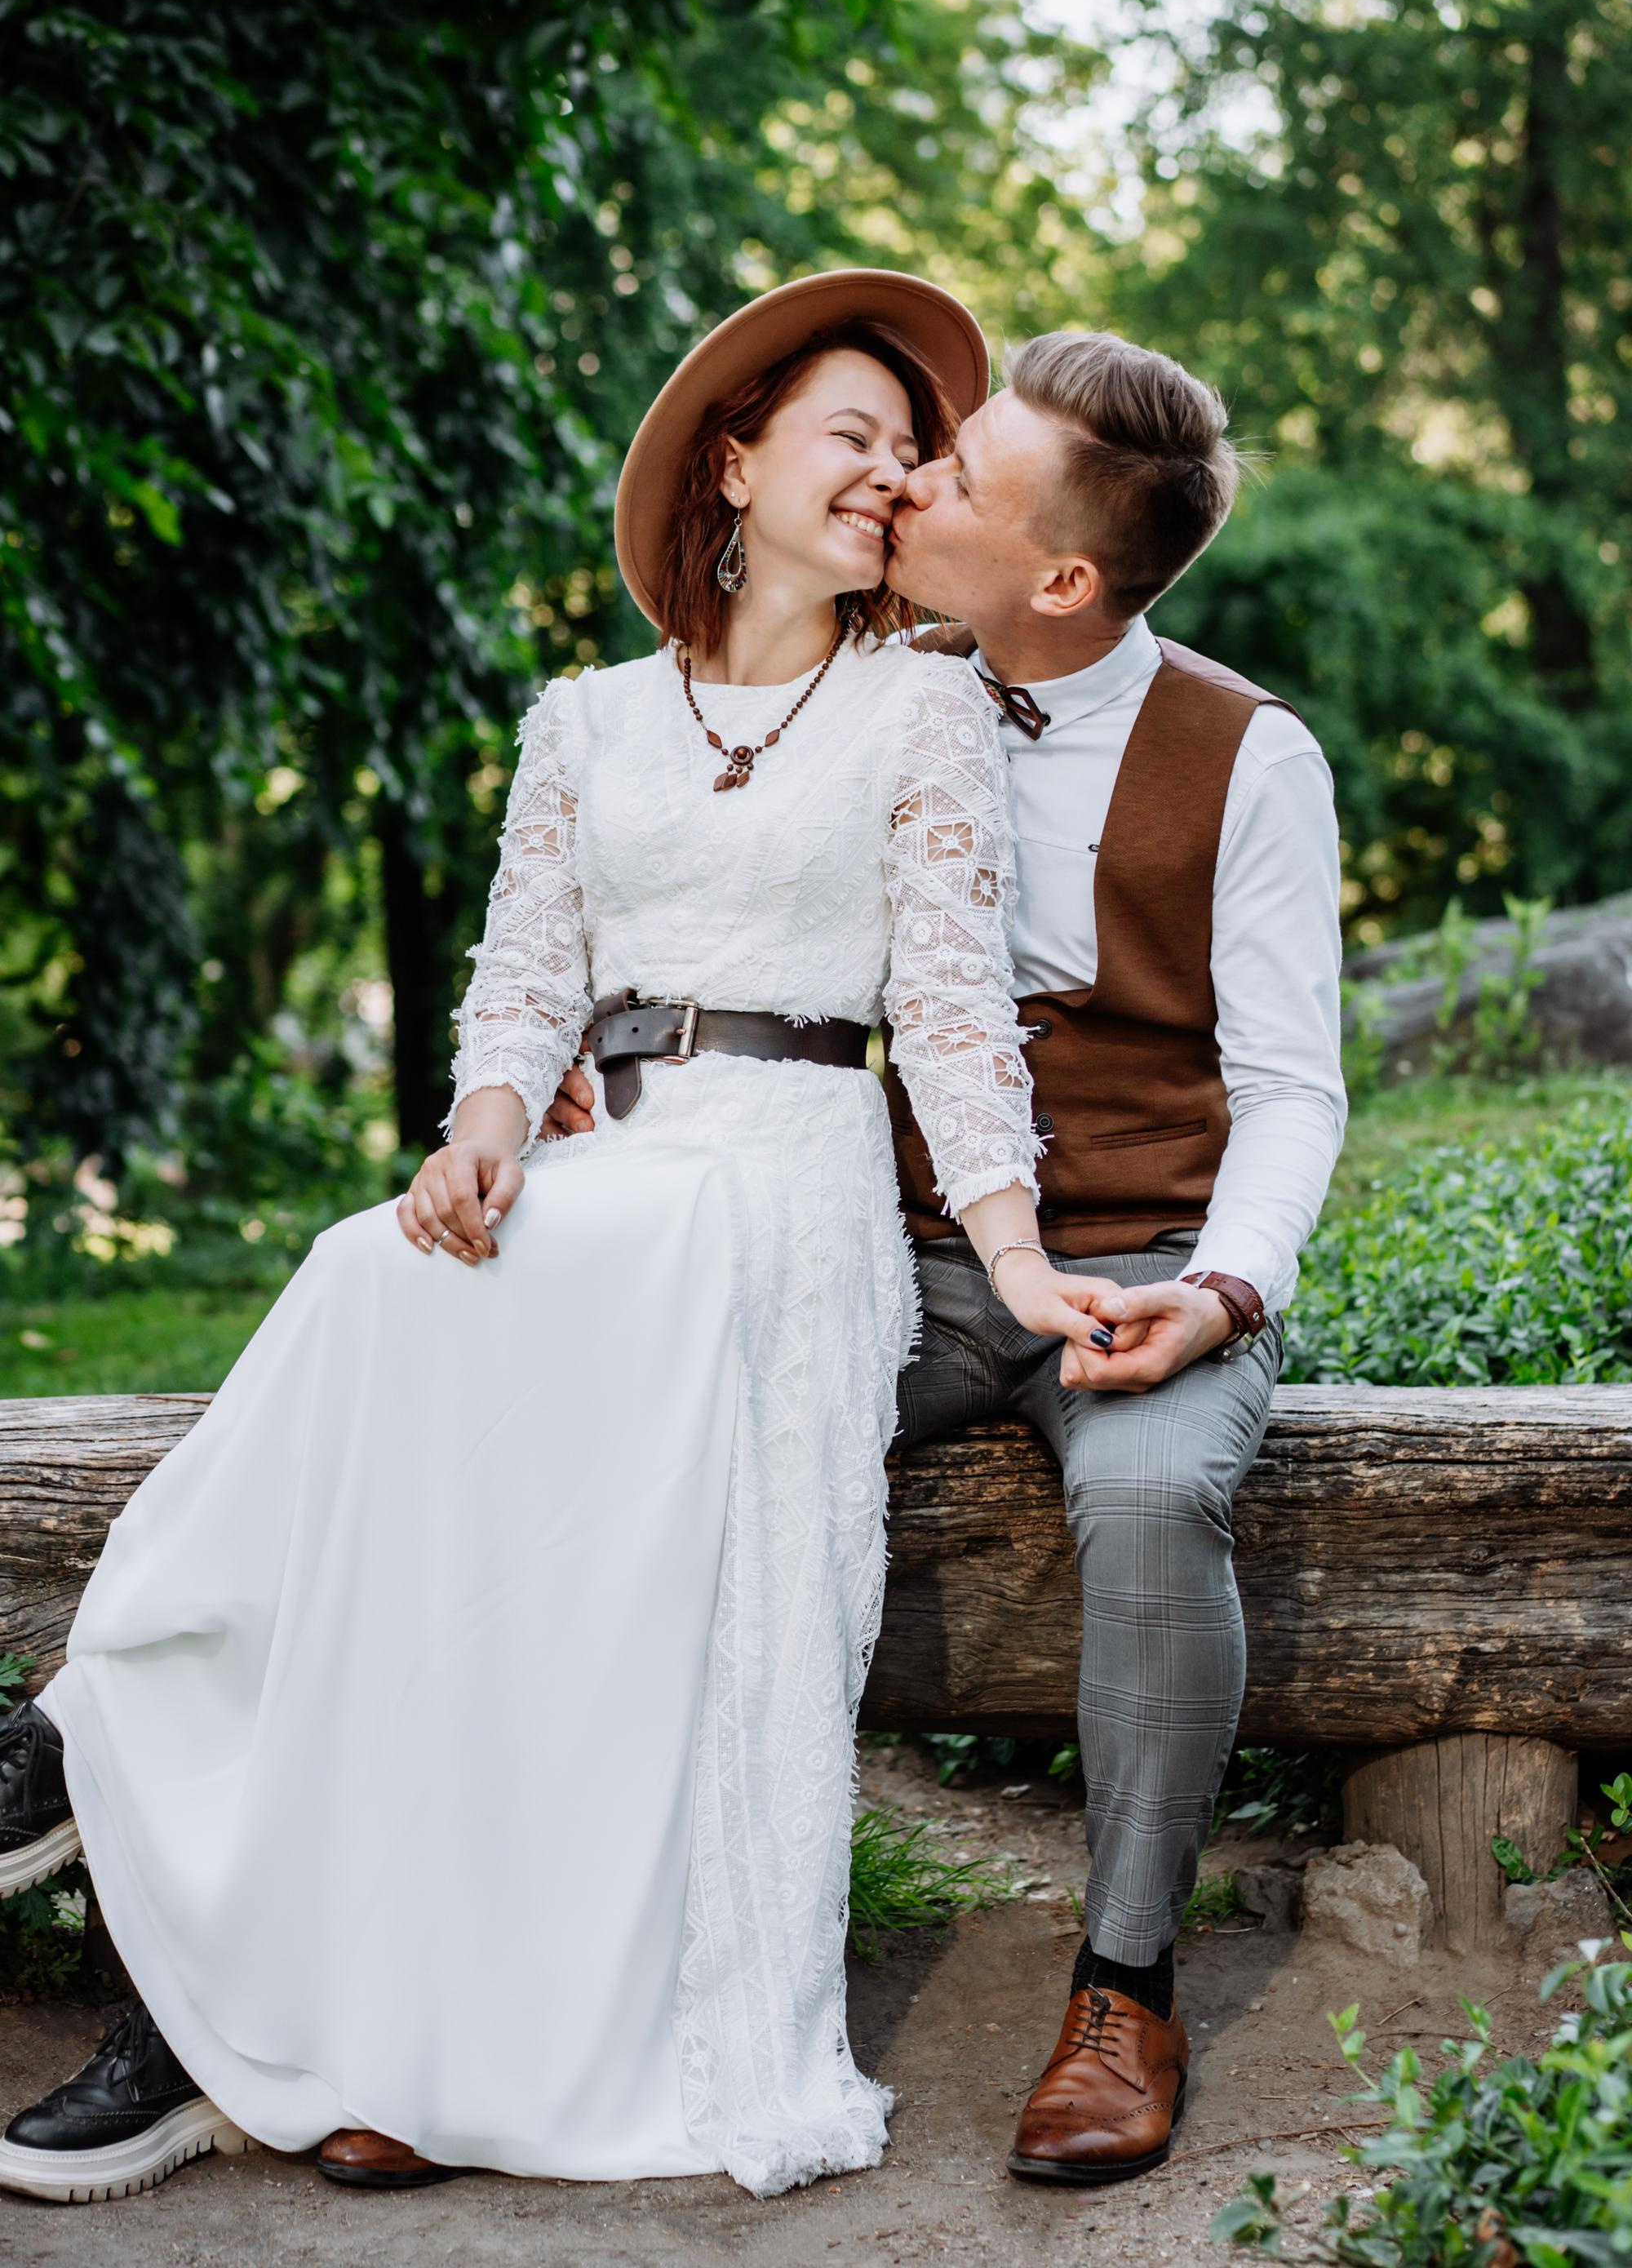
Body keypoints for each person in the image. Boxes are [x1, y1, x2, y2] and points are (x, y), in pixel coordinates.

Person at [0, 271, 1131, 2207]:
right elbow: (524, 982)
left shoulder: (922, 706)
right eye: (850, 437)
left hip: (779, 1183)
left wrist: (1021, 1269)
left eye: (904, 452)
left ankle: (63, 1744)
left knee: (365, 1294)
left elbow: (947, 1012)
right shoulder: (587, 719)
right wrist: (486, 1129)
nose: (885, 477)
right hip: (610, 1176)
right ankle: (217, 1930)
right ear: (738, 459)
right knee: (406, 1362)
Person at [546, 327, 1346, 2188]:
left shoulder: (1247, 757)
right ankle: (574, 1952)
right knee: (644, 1419)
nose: (905, 483)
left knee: (1152, 1505)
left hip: (1144, 1256)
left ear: (1061, 577)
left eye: (958, 480)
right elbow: (696, 910)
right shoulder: (855, 685)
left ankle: (1122, 1982)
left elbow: (1293, 1089)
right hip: (885, 1248)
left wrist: (1216, 1290)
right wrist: (603, 1087)